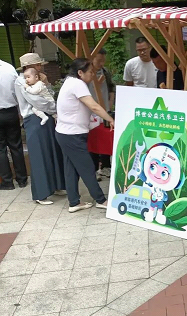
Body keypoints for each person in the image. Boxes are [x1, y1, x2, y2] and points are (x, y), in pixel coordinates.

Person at [55, 58, 115, 213]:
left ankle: (74, 202)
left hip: (65, 133)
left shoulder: (69, 82)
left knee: (71, 169)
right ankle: (101, 200)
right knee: (87, 167)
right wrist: (110, 119)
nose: (92, 75)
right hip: (72, 135)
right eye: (90, 72)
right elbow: (94, 106)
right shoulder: (77, 84)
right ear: (80, 72)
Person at [14, 53, 65, 204]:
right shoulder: (22, 81)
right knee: (39, 155)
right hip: (34, 118)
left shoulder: (39, 78)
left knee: (52, 151)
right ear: (28, 66)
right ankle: (41, 193)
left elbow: (49, 94)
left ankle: (56, 185)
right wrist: (53, 107)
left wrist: (47, 83)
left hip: (45, 117)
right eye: (37, 65)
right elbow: (37, 101)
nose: (40, 67)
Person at [0, 59, 27, 190]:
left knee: (0, 149)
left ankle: (7, 182)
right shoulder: (9, 68)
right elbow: (18, 90)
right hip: (11, 111)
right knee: (16, 146)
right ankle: (22, 179)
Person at [89, 49, 115, 179]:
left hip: (105, 110)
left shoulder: (105, 72)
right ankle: (93, 169)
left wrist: (110, 102)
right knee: (93, 140)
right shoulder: (86, 74)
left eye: (103, 60)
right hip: (91, 112)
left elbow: (111, 88)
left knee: (105, 138)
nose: (101, 63)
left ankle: (105, 166)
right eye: (99, 60)